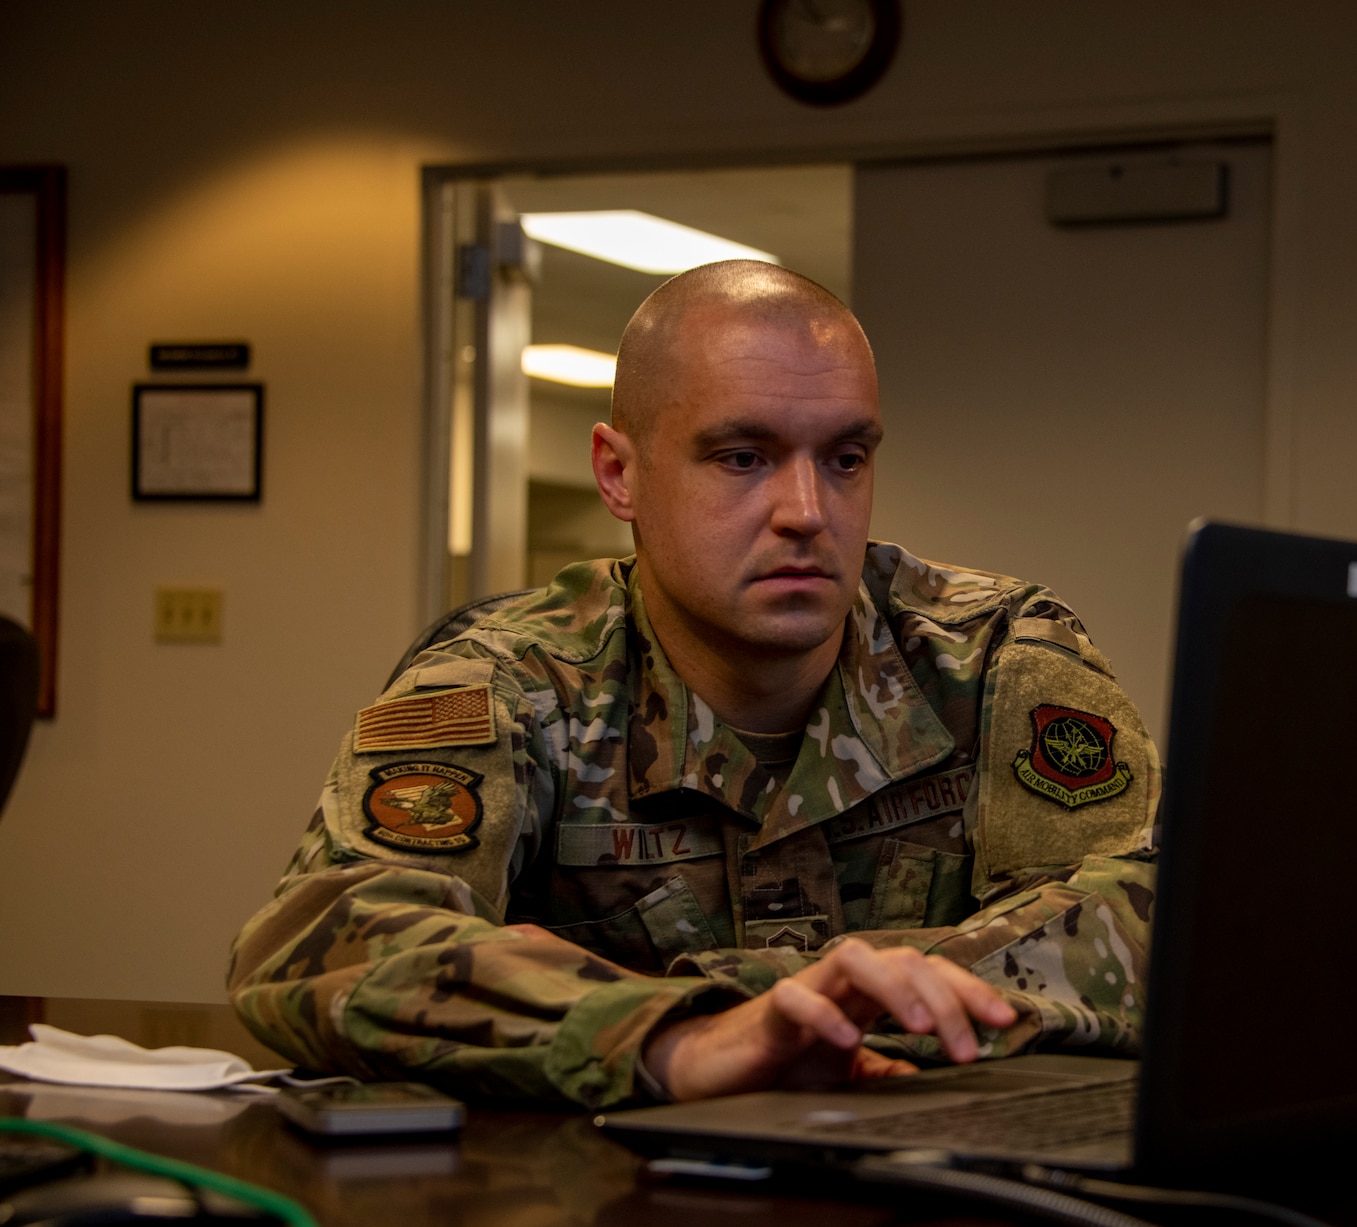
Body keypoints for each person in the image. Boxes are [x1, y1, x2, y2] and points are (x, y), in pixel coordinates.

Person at [228, 261, 1161, 1108]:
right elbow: (327, 939)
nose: (806, 512)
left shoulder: (993, 655)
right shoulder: (512, 680)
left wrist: (791, 1001)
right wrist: (677, 1037)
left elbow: (1149, 916)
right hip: (602, 1222)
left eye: (845, 458)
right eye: (742, 458)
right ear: (619, 472)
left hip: (941, 1194)